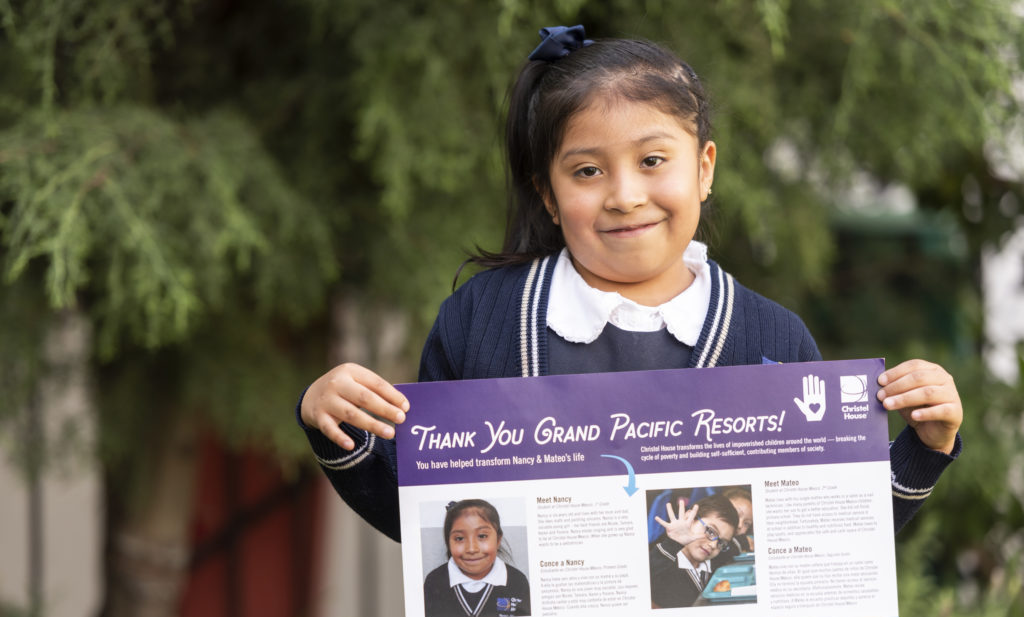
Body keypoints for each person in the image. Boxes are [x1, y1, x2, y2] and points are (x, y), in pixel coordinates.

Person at [296, 26, 964, 544]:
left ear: (703, 168)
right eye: (587, 171)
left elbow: (820, 537)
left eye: (652, 161)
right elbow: (432, 520)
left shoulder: (771, 338)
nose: (624, 195)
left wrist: (923, 448)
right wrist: (341, 433)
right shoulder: (483, 322)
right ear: (548, 195)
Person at [423, 499, 531, 617]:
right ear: (448, 542)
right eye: (459, 538)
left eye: (482, 536)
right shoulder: (434, 581)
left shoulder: (517, 581)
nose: (471, 549)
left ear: (498, 540)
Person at [649, 494, 738, 608]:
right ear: (689, 518)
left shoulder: (716, 561)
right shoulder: (662, 562)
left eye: (721, 542)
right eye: (711, 531)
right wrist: (674, 543)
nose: (713, 544)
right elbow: (650, 569)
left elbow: (735, 545)